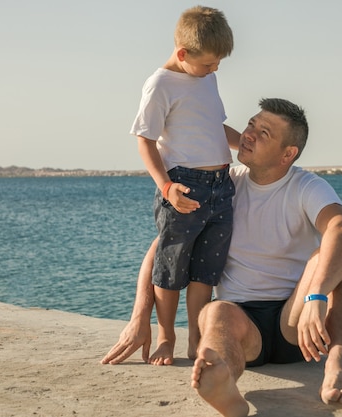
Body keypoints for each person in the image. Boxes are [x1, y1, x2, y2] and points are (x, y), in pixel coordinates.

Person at [102, 98, 342, 414]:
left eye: (263, 132)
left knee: (333, 261)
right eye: (251, 124)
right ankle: (222, 380)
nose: (248, 134)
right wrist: (140, 316)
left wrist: (316, 296)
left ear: (287, 154)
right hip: (241, 323)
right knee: (215, 313)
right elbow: (164, 247)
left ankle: (337, 361)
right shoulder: (222, 186)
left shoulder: (306, 186)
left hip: (295, 322)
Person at [130, 5, 241, 365]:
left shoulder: (206, 77)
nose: (215, 69)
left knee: (205, 270)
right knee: (171, 267)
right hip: (184, 188)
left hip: (222, 186)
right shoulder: (160, 84)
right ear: (183, 53)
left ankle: (198, 338)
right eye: (209, 63)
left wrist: (250, 147)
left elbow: (213, 125)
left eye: (218, 63)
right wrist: (166, 187)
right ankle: (166, 336)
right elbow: (144, 139)